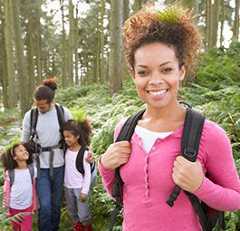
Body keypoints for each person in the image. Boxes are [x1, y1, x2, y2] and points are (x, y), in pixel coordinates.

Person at [98, 5, 240, 231]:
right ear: (133, 74)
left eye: (166, 70)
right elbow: (120, 194)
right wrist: (105, 166)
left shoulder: (208, 134)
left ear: (181, 71)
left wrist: (200, 186)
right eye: (144, 72)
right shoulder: (124, 130)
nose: (155, 81)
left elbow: (235, 198)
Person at [21, 78, 72, 231]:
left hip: (60, 164)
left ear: (51, 101)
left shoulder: (62, 112)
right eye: (37, 105)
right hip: (40, 166)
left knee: (56, 204)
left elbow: (75, 135)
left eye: (43, 106)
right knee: (45, 205)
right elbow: (23, 141)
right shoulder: (30, 116)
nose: (40, 108)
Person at [63, 119, 95, 231]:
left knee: (83, 214)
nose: (66, 139)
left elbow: (87, 174)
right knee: (72, 211)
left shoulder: (84, 153)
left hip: (80, 188)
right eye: (65, 136)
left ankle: (87, 226)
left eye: (69, 136)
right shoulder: (65, 150)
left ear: (77, 136)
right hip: (68, 187)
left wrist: (84, 191)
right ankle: (78, 227)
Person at [1, 143, 37, 231]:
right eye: (21, 150)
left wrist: (34, 205)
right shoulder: (10, 173)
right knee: (16, 229)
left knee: (26, 229)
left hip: (27, 207)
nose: (25, 151)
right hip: (13, 207)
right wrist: (6, 208)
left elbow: (33, 189)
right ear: (15, 157)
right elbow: (6, 191)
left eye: (25, 149)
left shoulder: (32, 170)